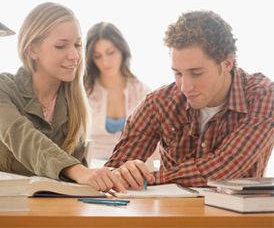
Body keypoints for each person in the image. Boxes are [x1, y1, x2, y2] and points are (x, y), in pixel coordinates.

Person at [105, 10, 274, 188]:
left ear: (227, 63)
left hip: (236, 214)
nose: (185, 87)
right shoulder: (159, 102)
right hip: (175, 213)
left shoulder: (263, 96)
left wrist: (149, 179)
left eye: (196, 73)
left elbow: (223, 166)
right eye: (178, 73)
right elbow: (114, 170)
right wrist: (125, 172)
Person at [0, 2, 125, 193]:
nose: (75, 55)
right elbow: (22, 137)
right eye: (61, 46)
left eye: (77, 45)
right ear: (32, 50)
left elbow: (75, 185)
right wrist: (78, 171)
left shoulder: (74, 107)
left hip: (47, 212)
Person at [84, 22, 151, 161]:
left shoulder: (142, 92)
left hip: (130, 168)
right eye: (98, 56)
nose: (105, 61)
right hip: (91, 167)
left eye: (111, 52)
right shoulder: (84, 91)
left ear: (122, 50)